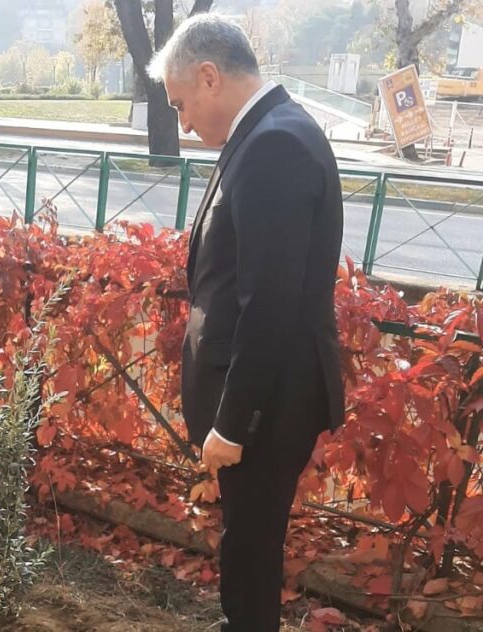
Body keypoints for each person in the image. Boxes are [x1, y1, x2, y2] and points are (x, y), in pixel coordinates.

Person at [147, 15, 344, 632]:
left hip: (267, 404)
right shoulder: (267, 131)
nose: (181, 122)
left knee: (252, 549)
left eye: (180, 104)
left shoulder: (274, 145)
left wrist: (231, 424)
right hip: (267, 395)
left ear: (209, 77)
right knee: (248, 542)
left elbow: (270, 304)